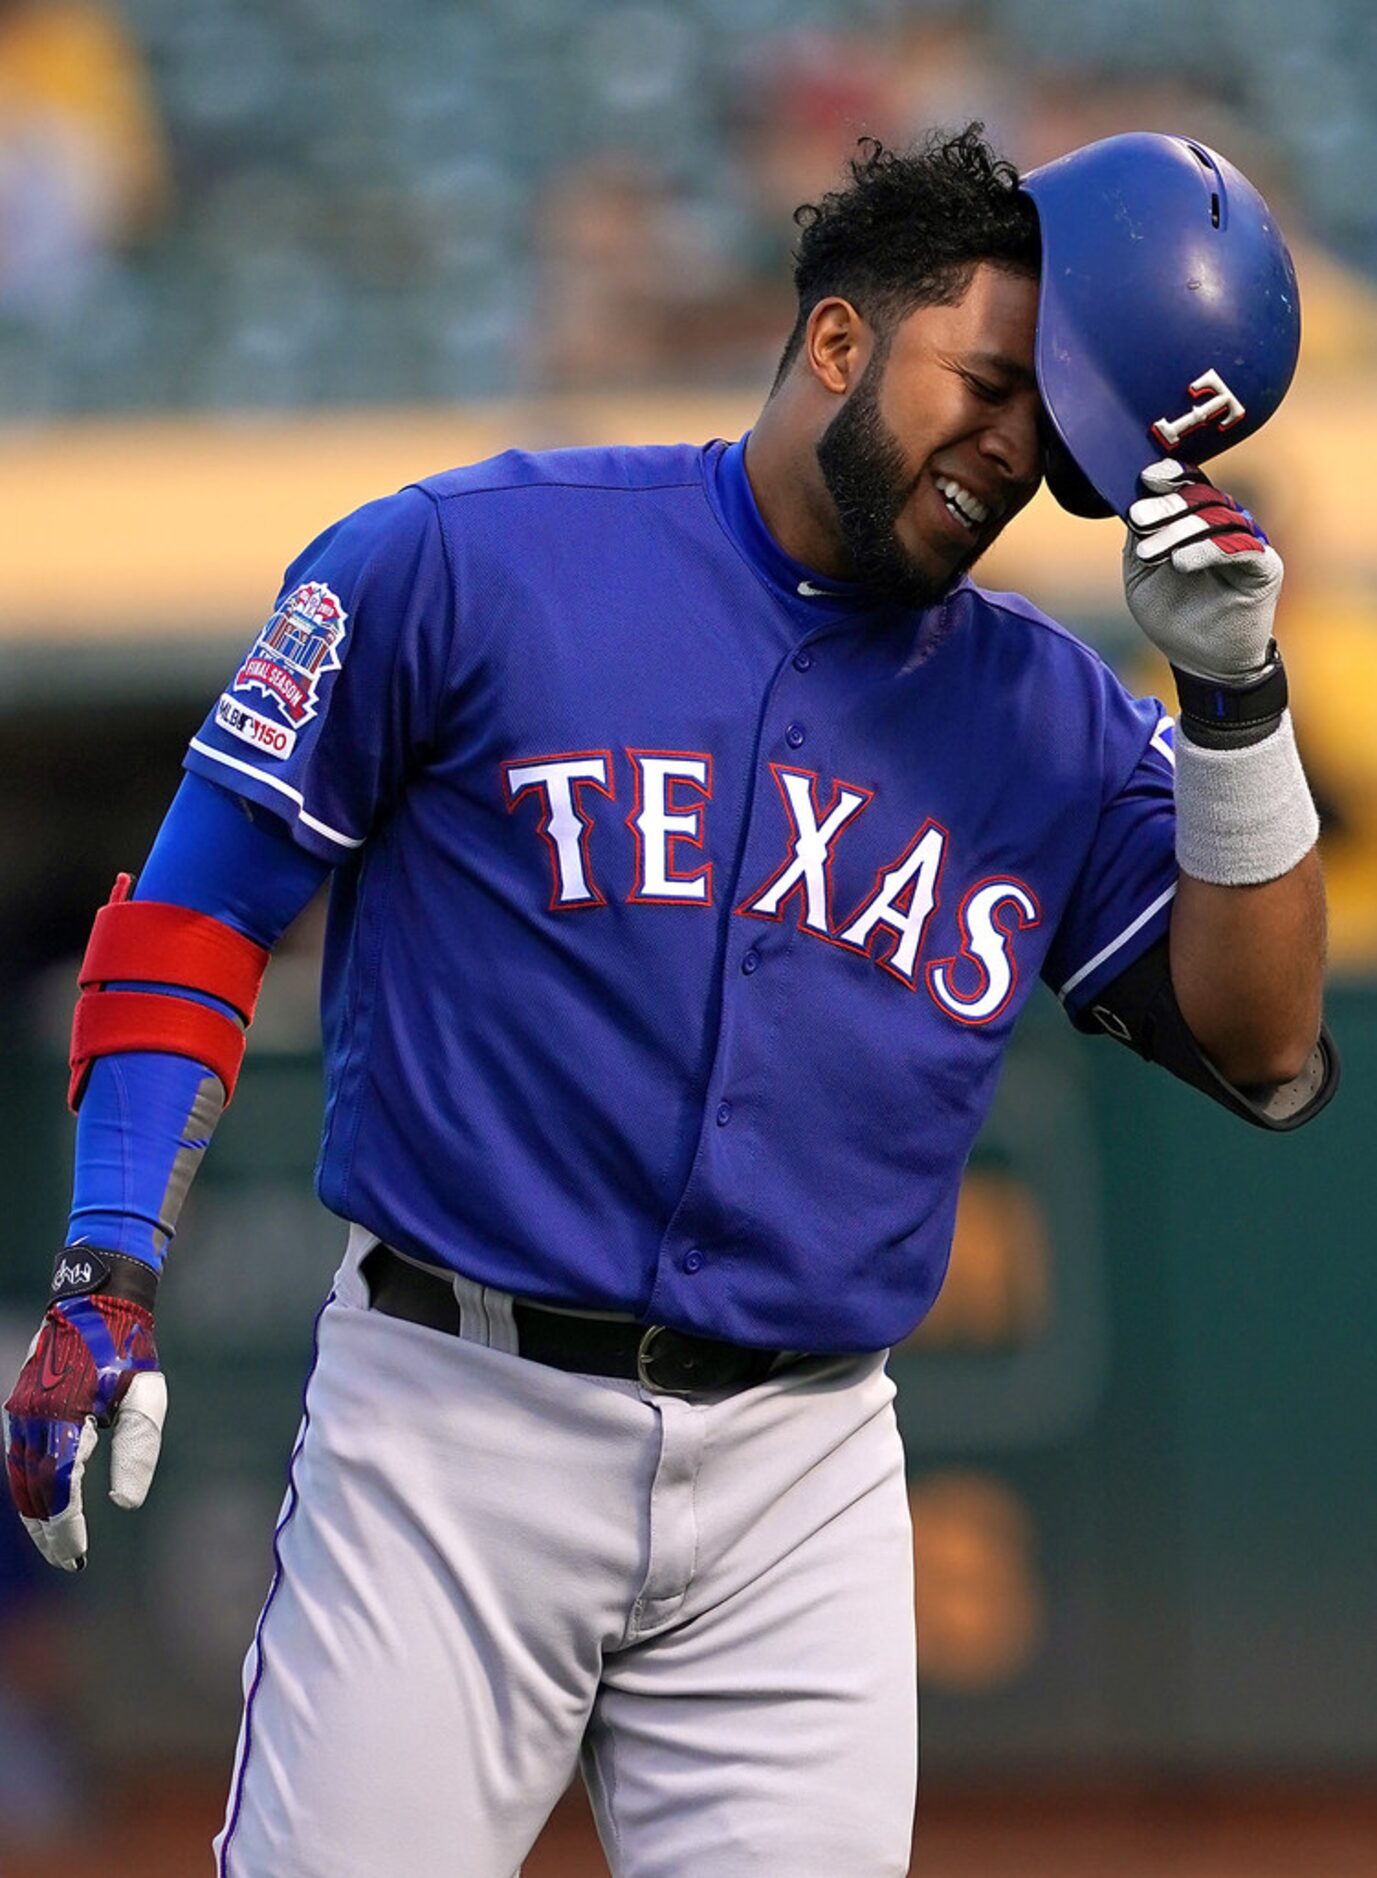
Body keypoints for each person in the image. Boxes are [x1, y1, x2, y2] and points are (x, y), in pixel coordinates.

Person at [3, 126, 1335, 1878]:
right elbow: (193, 910)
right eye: (988, 386)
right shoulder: (466, 562)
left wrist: (1233, 700)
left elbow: (1262, 1042)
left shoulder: (1053, 718)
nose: (1008, 452)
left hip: (805, 1468)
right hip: (451, 1426)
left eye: (1050, 437)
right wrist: (110, 1263)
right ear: (842, 339)